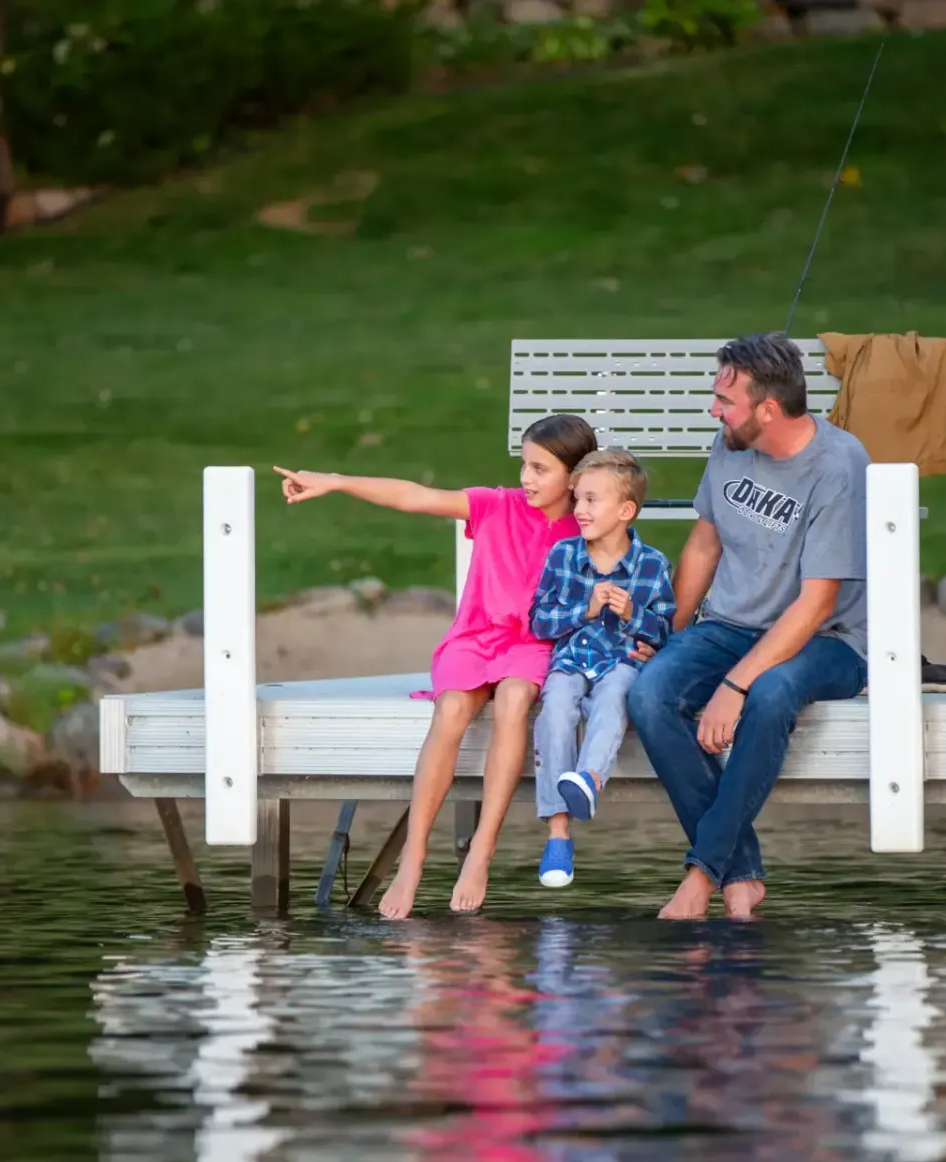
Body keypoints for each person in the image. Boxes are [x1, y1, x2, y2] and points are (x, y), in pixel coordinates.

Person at [274, 413, 599, 919]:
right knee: (450, 713)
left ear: (574, 477)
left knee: (514, 700)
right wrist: (335, 482)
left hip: (533, 643)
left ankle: (481, 852)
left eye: (540, 469)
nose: (526, 479)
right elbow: (413, 496)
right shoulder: (497, 505)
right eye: (524, 466)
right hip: (475, 636)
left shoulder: (586, 526)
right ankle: (413, 859)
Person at [624, 332, 870, 921]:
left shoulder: (839, 466)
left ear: (768, 409)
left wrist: (732, 687)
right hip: (730, 624)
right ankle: (743, 876)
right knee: (650, 693)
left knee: (770, 690)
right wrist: (664, 633)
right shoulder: (731, 442)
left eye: (725, 400)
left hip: (827, 639)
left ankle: (702, 874)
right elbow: (705, 544)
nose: (714, 410)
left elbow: (815, 604)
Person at [526, 448, 675, 888]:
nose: (580, 509)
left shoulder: (652, 565)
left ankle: (588, 779)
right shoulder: (563, 555)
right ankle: (558, 833)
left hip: (623, 661)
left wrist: (633, 615)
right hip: (572, 659)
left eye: (592, 500)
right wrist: (585, 611)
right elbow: (539, 620)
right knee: (555, 709)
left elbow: (665, 631)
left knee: (614, 699)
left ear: (625, 511)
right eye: (578, 499)